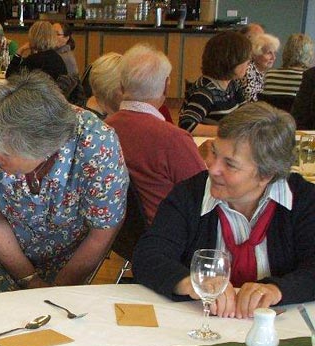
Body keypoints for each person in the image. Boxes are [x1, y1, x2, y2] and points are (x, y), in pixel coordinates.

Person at [134, 102, 315, 319]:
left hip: (281, 328)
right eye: (214, 152)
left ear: (266, 175)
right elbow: (148, 255)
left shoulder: (304, 201)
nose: (213, 168)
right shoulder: (190, 194)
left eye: (230, 164)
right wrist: (190, 282)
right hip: (200, 323)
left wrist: (277, 289)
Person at [0, 71, 128, 292]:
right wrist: (29, 279)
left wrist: (55, 290)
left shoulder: (96, 145)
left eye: (4, 152)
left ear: (43, 148)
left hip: (67, 255)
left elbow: (102, 231)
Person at [104, 44, 206, 224]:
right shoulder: (173, 139)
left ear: (121, 86)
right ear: (166, 86)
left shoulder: (102, 131)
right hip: (170, 236)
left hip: (121, 236)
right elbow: (205, 196)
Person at [179, 31, 251, 137]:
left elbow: (247, 112)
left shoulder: (232, 85)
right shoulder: (205, 91)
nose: (248, 63)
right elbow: (187, 126)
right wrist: (228, 131)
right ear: (231, 61)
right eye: (246, 60)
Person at [238, 33, 280, 102]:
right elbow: (251, 103)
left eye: (274, 53)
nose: (274, 57)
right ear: (255, 54)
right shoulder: (248, 72)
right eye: (268, 53)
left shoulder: (260, 72)